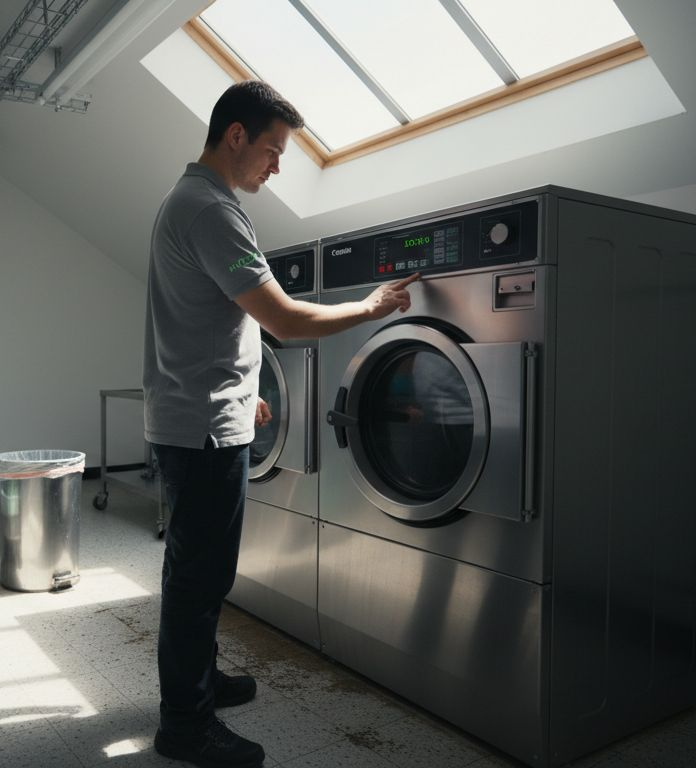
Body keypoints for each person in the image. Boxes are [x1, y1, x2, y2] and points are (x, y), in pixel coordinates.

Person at [143, 79, 420, 768]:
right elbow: (286, 318)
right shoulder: (210, 210)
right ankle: (185, 722)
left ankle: (198, 682)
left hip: (201, 410)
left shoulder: (192, 202)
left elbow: (205, 317)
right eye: (270, 150)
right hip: (202, 426)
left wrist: (244, 393)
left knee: (195, 568)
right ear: (234, 135)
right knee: (199, 578)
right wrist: (371, 307)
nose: (276, 166)